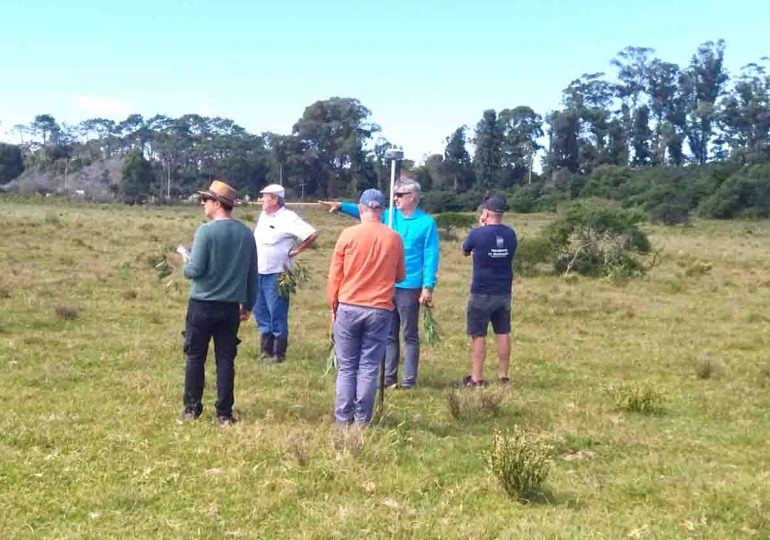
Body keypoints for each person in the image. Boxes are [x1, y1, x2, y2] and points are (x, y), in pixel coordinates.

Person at [319, 175, 439, 389]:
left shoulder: (426, 223)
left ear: (412, 197)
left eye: (399, 195)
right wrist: (341, 206)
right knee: (389, 334)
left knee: (409, 334)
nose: (395, 199)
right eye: (393, 195)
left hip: (410, 286)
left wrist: (428, 286)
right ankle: (388, 378)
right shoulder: (390, 217)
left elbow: (431, 255)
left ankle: (409, 381)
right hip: (386, 285)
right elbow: (366, 212)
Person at [180, 180, 258, 426]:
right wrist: (248, 305)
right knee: (225, 360)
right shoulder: (246, 233)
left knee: (195, 357)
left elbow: (195, 270)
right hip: (230, 308)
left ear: (217, 203)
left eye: (206, 200)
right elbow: (252, 275)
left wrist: (185, 260)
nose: (203, 203)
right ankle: (224, 413)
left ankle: (192, 409)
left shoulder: (205, 231)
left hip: (202, 305)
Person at [327, 189, 405, 425]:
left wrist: (333, 307)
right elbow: (400, 276)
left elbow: (335, 277)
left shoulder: (347, 235)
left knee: (347, 367)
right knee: (369, 367)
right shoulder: (394, 237)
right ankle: (363, 420)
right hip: (379, 309)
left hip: (349, 305)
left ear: (361, 209)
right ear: (381, 211)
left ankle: (343, 419)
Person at [253, 184, 317, 362]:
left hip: (278, 274)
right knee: (261, 311)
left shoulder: (289, 217)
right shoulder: (263, 216)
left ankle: (278, 352)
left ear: (274, 199)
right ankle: (265, 350)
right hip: (258, 271)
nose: (261, 200)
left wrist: (296, 251)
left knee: (277, 312)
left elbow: (311, 234)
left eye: (264, 197)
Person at [461, 196, 518, 387]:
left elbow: (465, 250)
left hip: (481, 291)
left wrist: (481, 227)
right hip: (503, 291)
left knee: (479, 334)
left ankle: (477, 378)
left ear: (485, 212)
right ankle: (503, 375)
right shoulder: (511, 234)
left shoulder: (477, 234)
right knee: (503, 332)